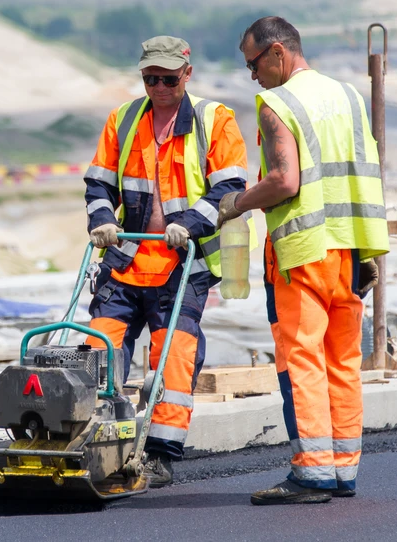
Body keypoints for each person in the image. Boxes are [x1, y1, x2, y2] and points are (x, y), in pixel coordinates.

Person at [217, 17, 389, 505]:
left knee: (303, 360)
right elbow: (364, 172)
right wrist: (368, 250)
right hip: (350, 250)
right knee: (344, 360)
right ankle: (342, 468)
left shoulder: (278, 103)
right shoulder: (351, 98)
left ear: (276, 53)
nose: (252, 76)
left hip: (303, 253)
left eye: (253, 64)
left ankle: (311, 472)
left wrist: (239, 203)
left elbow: (286, 182)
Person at [84, 36, 250, 487]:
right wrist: (101, 219)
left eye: (167, 79)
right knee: (98, 346)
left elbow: (230, 188)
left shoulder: (215, 121)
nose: (158, 86)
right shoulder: (123, 119)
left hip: (183, 264)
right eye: (149, 78)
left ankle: (159, 454)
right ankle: (99, 437)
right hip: (127, 259)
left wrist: (193, 223)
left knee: (173, 356)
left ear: (186, 75)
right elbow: (99, 184)